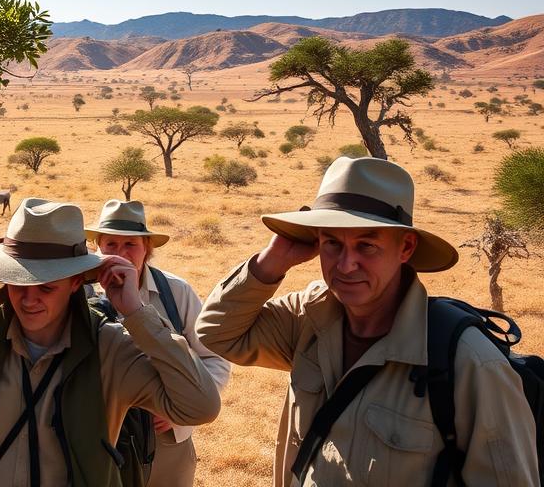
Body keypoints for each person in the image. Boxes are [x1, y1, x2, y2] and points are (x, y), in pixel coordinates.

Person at [196, 156, 539, 487]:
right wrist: (272, 262)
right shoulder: (308, 318)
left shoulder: (468, 362)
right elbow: (217, 333)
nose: (345, 265)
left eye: (367, 246)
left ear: (406, 248)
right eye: (332, 244)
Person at [0, 197, 221, 487]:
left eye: (46, 287)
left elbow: (200, 407)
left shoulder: (110, 348)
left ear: (76, 282)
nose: (29, 300)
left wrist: (137, 315)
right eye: (17, 283)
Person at [86, 199, 231, 487]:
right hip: (101, 438)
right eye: (111, 245)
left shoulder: (175, 292)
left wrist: (178, 413)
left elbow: (214, 359)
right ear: (98, 248)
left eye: (131, 245)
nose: (120, 254)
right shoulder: (80, 293)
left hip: (167, 441)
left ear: (146, 250)